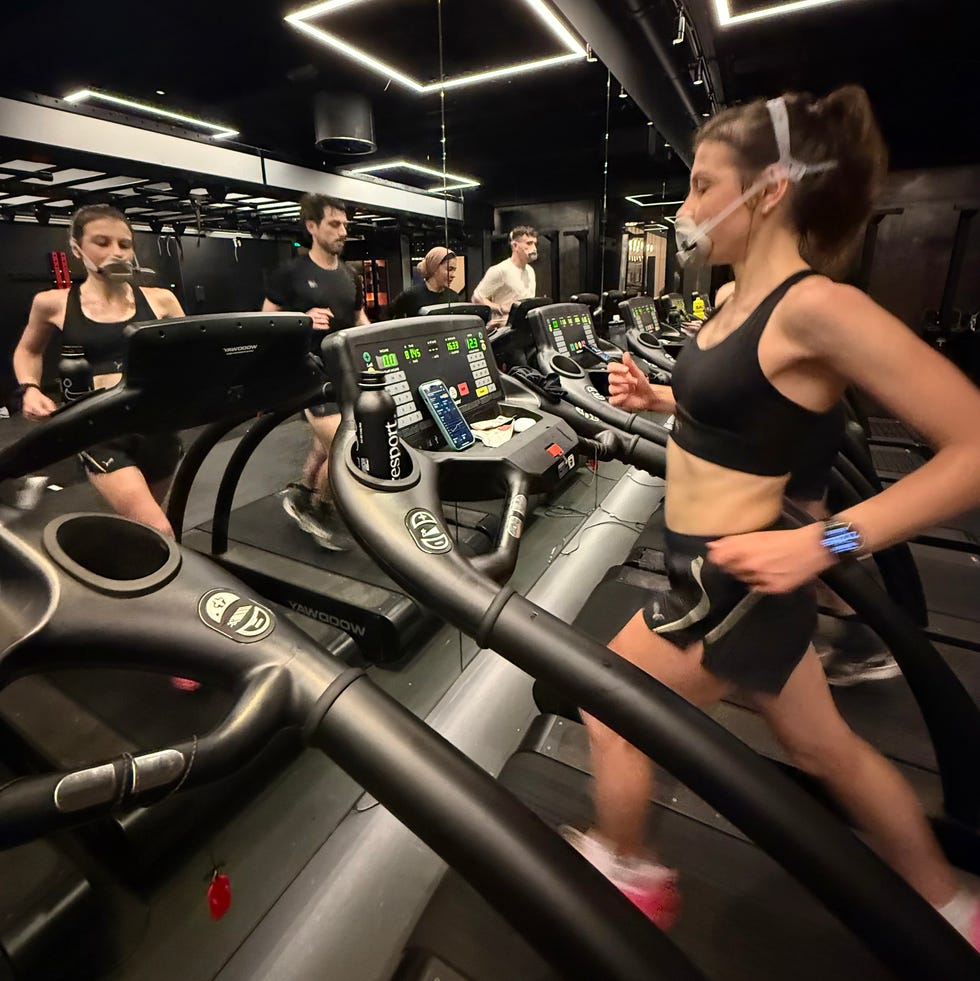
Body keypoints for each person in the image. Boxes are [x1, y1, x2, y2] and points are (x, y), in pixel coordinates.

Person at [565, 86, 980, 948]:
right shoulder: (729, 302)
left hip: (731, 583)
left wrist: (824, 543)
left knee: (607, 704)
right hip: (730, 574)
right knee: (828, 751)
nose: (687, 208)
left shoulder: (817, 307)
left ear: (769, 190)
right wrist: (657, 399)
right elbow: (741, 411)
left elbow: (973, 445)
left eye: (703, 185)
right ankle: (954, 911)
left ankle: (629, 876)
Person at [714, 273, 897, 684]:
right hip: (810, 458)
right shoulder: (781, 363)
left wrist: (826, 545)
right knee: (812, 538)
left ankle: (858, 643)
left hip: (808, 461)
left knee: (810, 540)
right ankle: (837, 631)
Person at [12, 203, 185, 536]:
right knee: (159, 529)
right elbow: (28, 350)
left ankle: (122, 560)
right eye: (102, 242)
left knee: (144, 528)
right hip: (100, 431)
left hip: (159, 427)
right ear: (77, 248)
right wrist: (29, 388)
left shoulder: (161, 299)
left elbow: (192, 352)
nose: (116, 252)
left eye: (124, 244)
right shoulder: (52, 303)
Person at [262, 193, 370, 550]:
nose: (343, 231)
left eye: (345, 225)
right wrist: (301, 320)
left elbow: (359, 319)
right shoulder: (290, 274)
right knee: (348, 448)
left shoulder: (351, 275)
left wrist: (377, 345)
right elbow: (265, 322)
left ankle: (304, 493)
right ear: (312, 226)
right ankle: (320, 508)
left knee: (323, 449)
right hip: (308, 374)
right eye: (334, 224)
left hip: (344, 371)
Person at [471, 225, 538, 330]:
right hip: (505, 330)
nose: (534, 248)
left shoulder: (530, 271)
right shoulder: (500, 270)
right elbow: (476, 298)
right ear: (515, 246)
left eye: (534, 243)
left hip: (526, 327)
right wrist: (499, 308)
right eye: (529, 243)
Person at [387, 247, 462, 318]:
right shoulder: (411, 295)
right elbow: (388, 316)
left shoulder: (453, 297)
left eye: (454, 270)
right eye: (449, 269)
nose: (453, 275)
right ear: (434, 268)